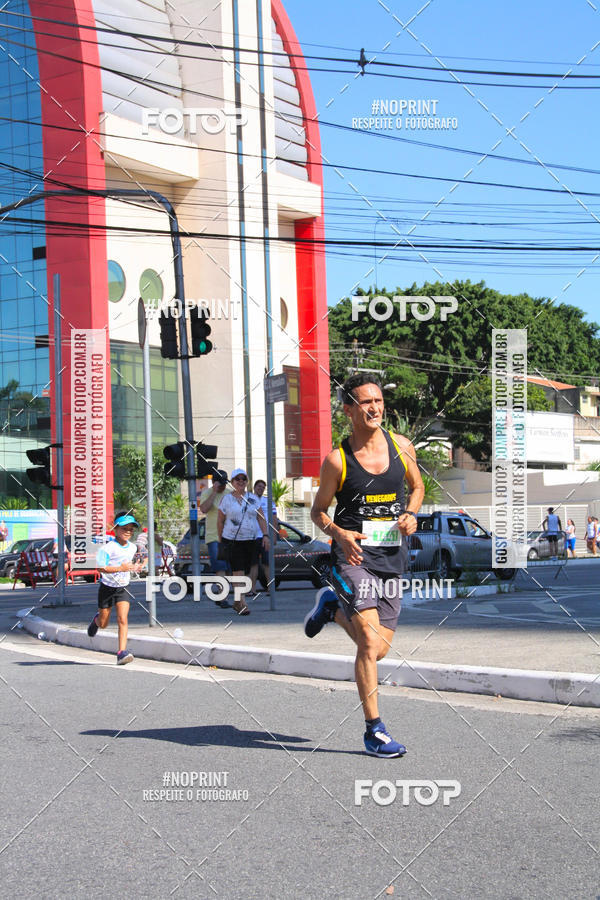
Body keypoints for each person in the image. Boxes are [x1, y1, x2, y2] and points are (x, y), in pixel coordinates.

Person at [307, 374, 424, 758]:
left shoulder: (401, 446)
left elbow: (418, 487)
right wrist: (339, 533)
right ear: (348, 409)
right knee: (369, 643)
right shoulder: (337, 460)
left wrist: (410, 513)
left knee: (380, 650)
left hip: (390, 558)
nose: (374, 407)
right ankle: (374, 730)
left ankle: (330, 609)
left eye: (378, 401)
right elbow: (318, 512)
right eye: (365, 402)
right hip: (352, 558)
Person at [87, 513, 143, 664]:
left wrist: (136, 566)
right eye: (125, 528)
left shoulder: (132, 547)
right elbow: (100, 568)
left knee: (122, 619)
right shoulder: (107, 548)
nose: (128, 532)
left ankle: (121, 652)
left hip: (123, 588)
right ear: (116, 529)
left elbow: (134, 562)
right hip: (107, 587)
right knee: (104, 623)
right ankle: (96, 621)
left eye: (131, 529)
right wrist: (121, 568)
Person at [217, 468, 270, 615]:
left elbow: (261, 518)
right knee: (238, 571)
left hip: (251, 539)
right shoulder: (227, 499)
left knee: (246, 572)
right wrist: (220, 539)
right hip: (232, 540)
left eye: (243, 479)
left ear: (247, 482)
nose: (241, 481)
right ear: (232, 482)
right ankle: (242, 603)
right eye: (237, 479)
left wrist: (265, 535)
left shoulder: (253, 498)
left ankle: (236, 600)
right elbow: (220, 520)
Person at [199, 470, 232, 608]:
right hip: (214, 536)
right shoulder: (207, 493)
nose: (223, 486)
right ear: (215, 483)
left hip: (229, 535)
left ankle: (221, 594)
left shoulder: (229, 493)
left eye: (225, 483)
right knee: (220, 567)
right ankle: (222, 597)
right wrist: (214, 492)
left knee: (229, 567)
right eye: (221, 484)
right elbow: (204, 509)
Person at [250, 478, 278, 594]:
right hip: (252, 537)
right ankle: (252, 589)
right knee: (253, 563)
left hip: (265, 536)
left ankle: (270, 588)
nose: (260, 489)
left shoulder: (269, 502)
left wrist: (274, 535)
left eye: (263, 487)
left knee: (267, 563)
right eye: (258, 487)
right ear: (254, 488)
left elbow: (274, 519)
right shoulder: (249, 500)